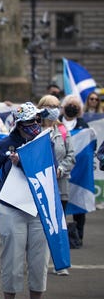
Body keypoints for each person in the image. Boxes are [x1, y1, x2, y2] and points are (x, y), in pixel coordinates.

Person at [0, 102, 55, 299]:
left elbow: (50, 167)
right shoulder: (7, 144)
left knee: (39, 258)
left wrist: (25, 163)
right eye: (30, 122)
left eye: (37, 121)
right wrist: (1, 189)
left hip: (38, 208)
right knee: (12, 258)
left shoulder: (45, 143)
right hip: (12, 208)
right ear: (19, 124)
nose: (35, 125)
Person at [37, 94, 75, 273]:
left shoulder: (63, 130)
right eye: (49, 106)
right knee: (39, 226)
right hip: (39, 186)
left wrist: (61, 169)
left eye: (56, 106)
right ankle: (36, 263)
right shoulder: (34, 130)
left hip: (60, 185)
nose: (53, 109)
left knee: (59, 225)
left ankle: (60, 264)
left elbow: (71, 156)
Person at [60, 94, 91, 246]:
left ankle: (79, 235)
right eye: (69, 104)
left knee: (79, 202)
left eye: (75, 105)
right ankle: (62, 236)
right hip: (62, 170)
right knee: (61, 203)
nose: (72, 108)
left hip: (79, 171)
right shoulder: (57, 123)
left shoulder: (84, 125)